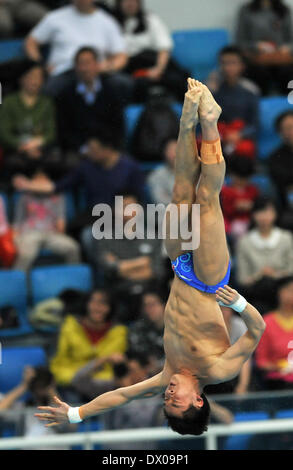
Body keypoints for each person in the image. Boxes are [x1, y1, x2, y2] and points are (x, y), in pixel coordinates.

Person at [35, 79, 265, 436]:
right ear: (198, 401)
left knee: (180, 191)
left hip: (179, 268)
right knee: (206, 198)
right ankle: (210, 121)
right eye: (176, 400)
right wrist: (239, 304)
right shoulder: (219, 370)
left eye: (165, 401)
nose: (168, 394)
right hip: (209, 279)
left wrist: (77, 414)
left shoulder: (167, 371)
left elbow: (121, 395)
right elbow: (256, 330)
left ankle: (186, 122)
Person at [13, 131, 145, 242]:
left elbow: (137, 198)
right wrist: (27, 185)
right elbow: (57, 186)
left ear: (107, 149)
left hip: (124, 215)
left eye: (93, 149)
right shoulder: (86, 167)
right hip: (95, 215)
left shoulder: (130, 167)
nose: (88, 152)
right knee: (79, 231)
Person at [25, 0, 128, 96]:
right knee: (49, 90)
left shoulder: (107, 21)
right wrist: (40, 66)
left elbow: (121, 56)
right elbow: (31, 42)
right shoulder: (55, 17)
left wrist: (108, 66)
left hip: (97, 73)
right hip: (64, 71)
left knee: (122, 84)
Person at [95, 193, 165, 320]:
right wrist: (142, 263)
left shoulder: (153, 237)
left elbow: (157, 271)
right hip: (118, 292)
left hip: (149, 290)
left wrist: (121, 267)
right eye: (123, 207)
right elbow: (108, 269)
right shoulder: (105, 238)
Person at [50, 289, 128, 391]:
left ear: (110, 308)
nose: (98, 307)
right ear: (85, 304)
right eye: (94, 302)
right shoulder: (69, 326)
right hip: (71, 381)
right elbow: (59, 361)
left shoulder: (119, 331)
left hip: (106, 384)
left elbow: (119, 366)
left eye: (104, 303)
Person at [112, 0, 187, 102]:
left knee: (178, 80)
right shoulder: (111, 23)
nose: (130, 3)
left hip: (155, 64)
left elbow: (164, 48)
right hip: (129, 69)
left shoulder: (150, 19)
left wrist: (158, 70)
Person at [56, 47, 125, 153]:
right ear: (75, 67)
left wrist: (105, 149)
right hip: (77, 152)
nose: (84, 68)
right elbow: (63, 131)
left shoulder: (111, 92)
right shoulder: (66, 94)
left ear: (97, 65)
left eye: (88, 63)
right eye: (80, 64)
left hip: (107, 150)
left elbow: (118, 127)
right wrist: (83, 149)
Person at [13, 169, 81, 272]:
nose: (40, 183)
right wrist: (16, 238)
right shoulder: (24, 197)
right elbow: (17, 222)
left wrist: (59, 232)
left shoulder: (58, 196)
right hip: (30, 233)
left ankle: (74, 282)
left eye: (43, 180)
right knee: (26, 255)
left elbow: (61, 222)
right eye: (37, 180)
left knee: (73, 248)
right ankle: (16, 281)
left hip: (51, 234)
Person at [0, 61, 57, 180]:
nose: (35, 81)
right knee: (14, 163)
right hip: (16, 149)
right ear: (21, 78)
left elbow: (51, 132)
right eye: (31, 76)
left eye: (38, 77)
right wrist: (22, 146)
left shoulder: (47, 102)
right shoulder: (9, 102)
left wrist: (37, 143)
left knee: (55, 160)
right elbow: (4, 132)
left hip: (40, 149)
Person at [236, 197, 293, 312]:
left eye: (268, 211)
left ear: (275, 214)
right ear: (253, 215)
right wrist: (260, 274)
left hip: (282, 289)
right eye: (260, 211)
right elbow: (242, 279)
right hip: (255, 293)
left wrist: (274, 274)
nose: (264, 216)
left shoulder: (286, 238)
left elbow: (291, 269)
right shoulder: (244, 242)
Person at [209, 46, 259, 160]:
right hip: (217, 135)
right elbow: (204, 118)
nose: (228, 67)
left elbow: (255, 124)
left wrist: (241, 134)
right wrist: (210, 91)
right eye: (224, 63)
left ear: (242, 66)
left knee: (245, 149)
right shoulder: (213, 88)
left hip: (239, 135)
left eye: (233, 63)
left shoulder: (251, 90)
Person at [236, 0, 293, 95]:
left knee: (287, 71)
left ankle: (288, 105)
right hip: (256, 58)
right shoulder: (246, 10)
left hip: (280, 59)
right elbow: (240, 42)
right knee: (259, 72)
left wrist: (286, 47)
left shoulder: (283, 10)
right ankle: (260, 104)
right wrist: (257, 45)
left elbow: (290, 40)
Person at [255, 276, 293, 390]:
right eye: (289, 290)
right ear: (279, 293)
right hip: (277, 382)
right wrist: (280, 366)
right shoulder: (267, 322)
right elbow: (261, 362)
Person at [221, 156, 259, 242]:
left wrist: (252, 206)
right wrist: (235, 207)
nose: (242, 182)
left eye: (245, 179)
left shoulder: (253, 190)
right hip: (230, 224)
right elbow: (223, 211)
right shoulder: (225, 191)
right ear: (232, 175)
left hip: (251, 223)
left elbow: (259, 207)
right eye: (239, 178)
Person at [128, 290, 165, 372]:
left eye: (153, 304)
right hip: (145, 375)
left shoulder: (176, 328)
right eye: (145, 305)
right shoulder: (137, 329)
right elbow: (137, 357)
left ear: (164, 305)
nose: (149, 309)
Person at [268, 110, 293, 229]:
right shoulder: (275, 157)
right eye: (288, 128)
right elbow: (282, 180)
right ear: (280, 132)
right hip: (287, 207)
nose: (292, 131)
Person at [147, 138, 176, 207]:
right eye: (172, 150)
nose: (176, 153)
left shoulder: (195, 174)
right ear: (164, 152)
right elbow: (159, 200)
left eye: (180, 149)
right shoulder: (156, 175)